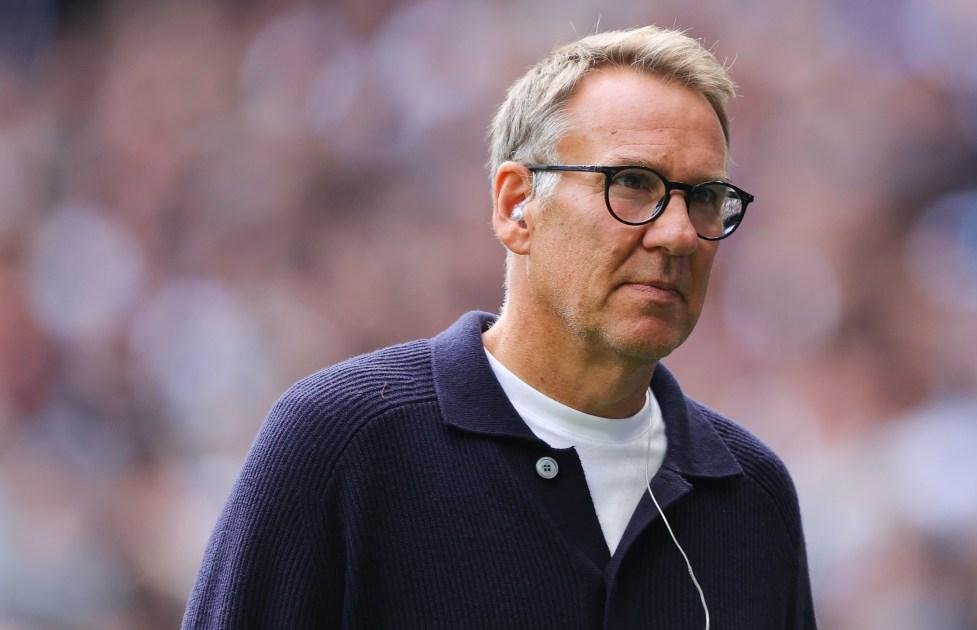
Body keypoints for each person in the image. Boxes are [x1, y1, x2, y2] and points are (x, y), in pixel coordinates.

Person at [183, 25, 816, 629]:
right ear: (516, 205)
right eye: (631, 182)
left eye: (704, 198)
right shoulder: (344, 441)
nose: (679, 234)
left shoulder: (751, 496)